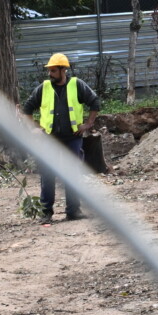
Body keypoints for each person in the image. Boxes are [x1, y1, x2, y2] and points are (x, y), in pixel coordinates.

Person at [22, 53, 99, 226]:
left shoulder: (77, 85)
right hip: (49, 140)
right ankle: (46, 212)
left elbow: (95, 102)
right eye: (49, 70)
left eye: (54, 71)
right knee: (48, 175)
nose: (50, 74)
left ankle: (73, 211)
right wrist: (33, 128)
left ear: (64, 70)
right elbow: (27, 109)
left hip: (72, 137)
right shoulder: (44, 88)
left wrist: (88, 124)